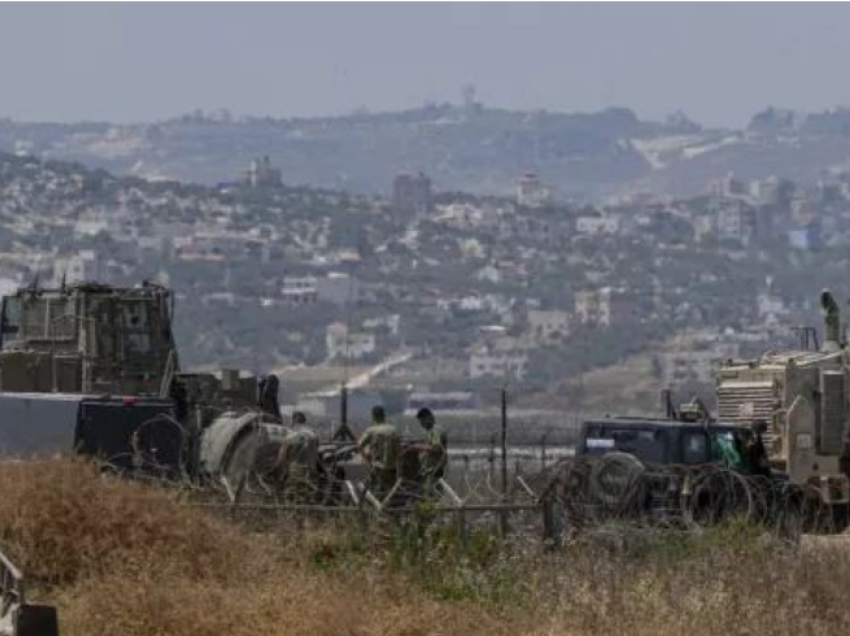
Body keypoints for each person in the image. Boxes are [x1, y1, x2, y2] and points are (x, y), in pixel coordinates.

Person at [358, 405, 401, 499]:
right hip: (392, 467)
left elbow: (359, 445)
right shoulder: (393, 430)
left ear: (373, 416)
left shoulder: (371, 431)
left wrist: (366, 458)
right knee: (391, 492)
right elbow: (398, 452)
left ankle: (377, 511)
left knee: (375, 491)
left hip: (377, 466)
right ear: (384, 415)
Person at [277, 411, 320, 502]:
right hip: (311, 469)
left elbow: (282, 453)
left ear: (294, 421)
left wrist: (278, 466)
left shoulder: (293, 434)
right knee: (307, 493)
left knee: (292, 493)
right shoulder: (313, 433)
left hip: (297, 468)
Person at [413, 407, 448, 496]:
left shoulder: (436, 430)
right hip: (429, 471)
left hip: (435, 470)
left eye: (422, 421)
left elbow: (436, 448)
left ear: (428, 418)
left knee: (431, 496)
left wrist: (419, 447)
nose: (421, 424)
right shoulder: (430, 431)